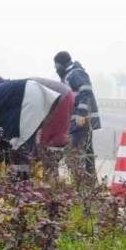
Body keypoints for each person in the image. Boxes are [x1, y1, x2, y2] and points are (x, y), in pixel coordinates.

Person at [0, 78, 63, 178]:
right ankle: (23, 180)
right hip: (37, 95)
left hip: (31, 96)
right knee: (21, 143)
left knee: (21, 145)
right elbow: (0, 138)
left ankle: (21, 181)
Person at [54, 51, 102, 180]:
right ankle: (89, 184)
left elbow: (86, 92)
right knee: (86, 154)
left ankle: (81, 182)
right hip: (76, 121)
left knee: (75, 153)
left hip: (81, 120)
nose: (56, 69)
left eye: (57, 66)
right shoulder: (67, 76)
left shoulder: (75, 73)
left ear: (62, 64)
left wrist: (81, 113)